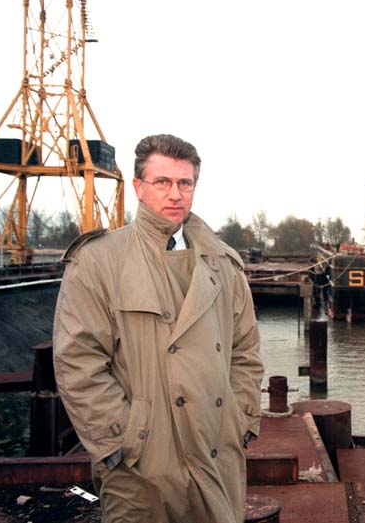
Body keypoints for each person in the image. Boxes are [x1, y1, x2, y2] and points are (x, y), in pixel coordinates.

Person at [53, 134, 263, 523]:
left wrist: (242, 419)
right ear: (138, 187)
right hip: (141, 463)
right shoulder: (99, 261)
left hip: (215, 449)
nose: (175, 194)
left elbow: (245, 351)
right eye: (162, 182)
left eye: (185, 183)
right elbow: (78, 361)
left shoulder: (223, 263)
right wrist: (123, 442)